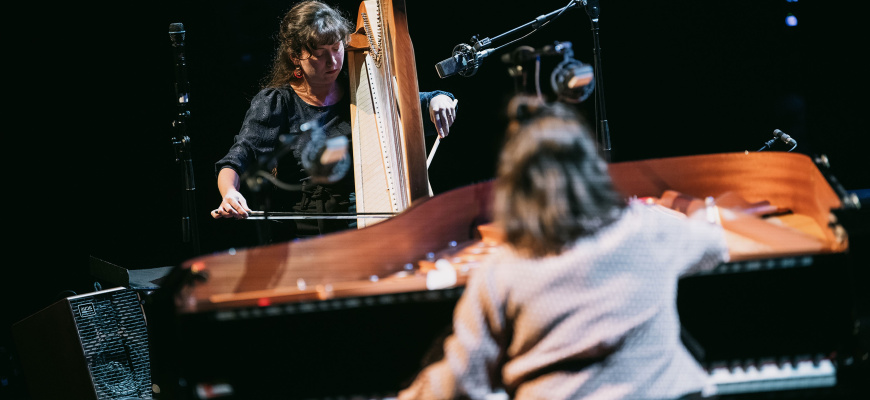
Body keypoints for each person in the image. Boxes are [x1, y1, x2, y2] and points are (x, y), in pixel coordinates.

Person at [397, 96, 730, 400]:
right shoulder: (647, 230)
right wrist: (699, 209)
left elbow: (462, 382)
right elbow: (714, 244)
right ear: (594, 172)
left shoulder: (503, 272)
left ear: (516, 188)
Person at [212, 0, 458, 239]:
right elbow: (238, 156)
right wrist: (230, 191)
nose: (332, 62)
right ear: (295, 56)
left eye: (337, 48)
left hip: (370, 221)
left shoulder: (362, 89)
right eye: (319, 54)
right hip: (309, 231)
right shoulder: (277, 102)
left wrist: (439, 99)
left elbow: (414, 100)